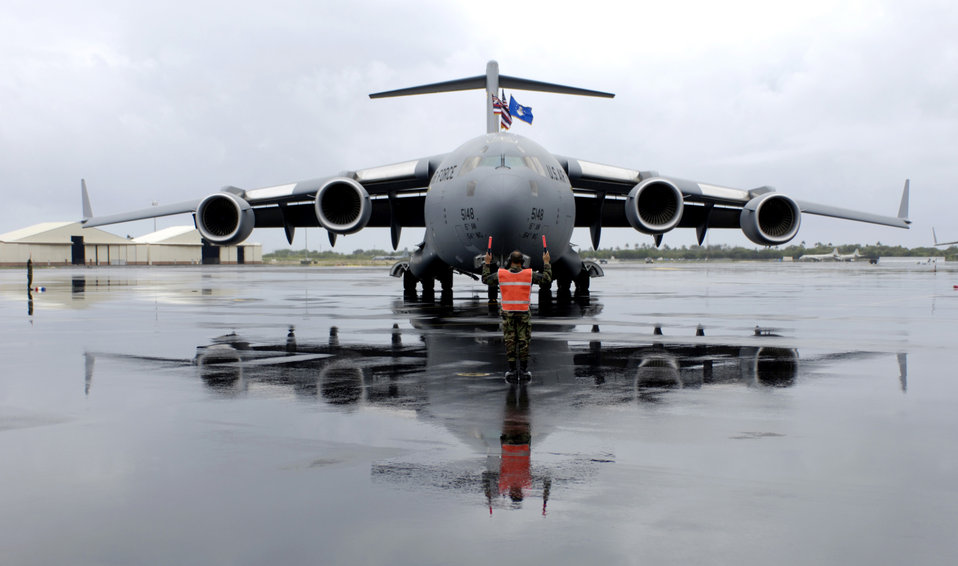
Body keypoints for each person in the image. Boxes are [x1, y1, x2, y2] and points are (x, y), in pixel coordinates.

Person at [482, 249, 552, 382]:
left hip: (508, 314)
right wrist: (546, 262)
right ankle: (524, 371)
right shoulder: (529, 274)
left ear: (509, 261)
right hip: (523, 313)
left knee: (510, 342)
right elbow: (547, 279)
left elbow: (485, 279)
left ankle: (512, 370)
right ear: (522, 262)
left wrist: (487, 263)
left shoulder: (501, 274)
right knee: (523, 342)